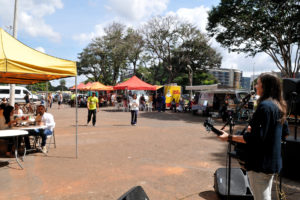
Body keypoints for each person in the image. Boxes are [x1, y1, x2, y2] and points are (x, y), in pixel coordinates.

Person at [217, 73, 289, 200]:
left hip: (260, 165)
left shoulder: (264, 107)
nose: (255, 86)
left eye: (258, 84)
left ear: (265, 87)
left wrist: (228, 137)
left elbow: (251, 139)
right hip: (272, 163)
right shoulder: (279, 106)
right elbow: (285, 133)